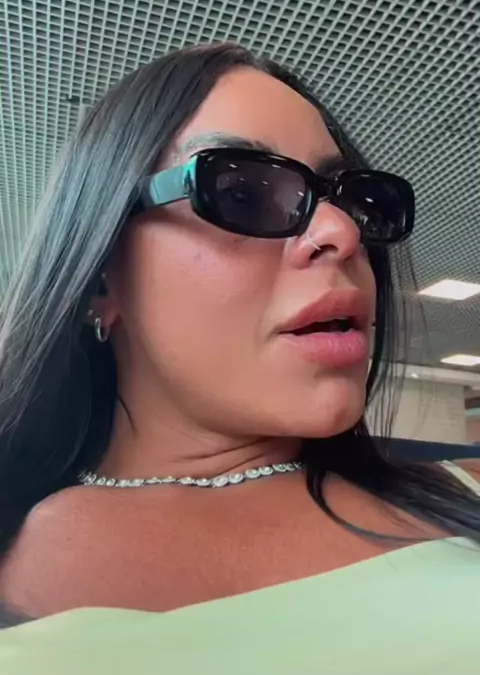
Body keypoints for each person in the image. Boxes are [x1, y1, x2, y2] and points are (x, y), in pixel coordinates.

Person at [0, 42, 478, 672]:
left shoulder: (462, 488)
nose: (343, 231)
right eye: (243, 193)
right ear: (100, 280)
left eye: (354, 202)